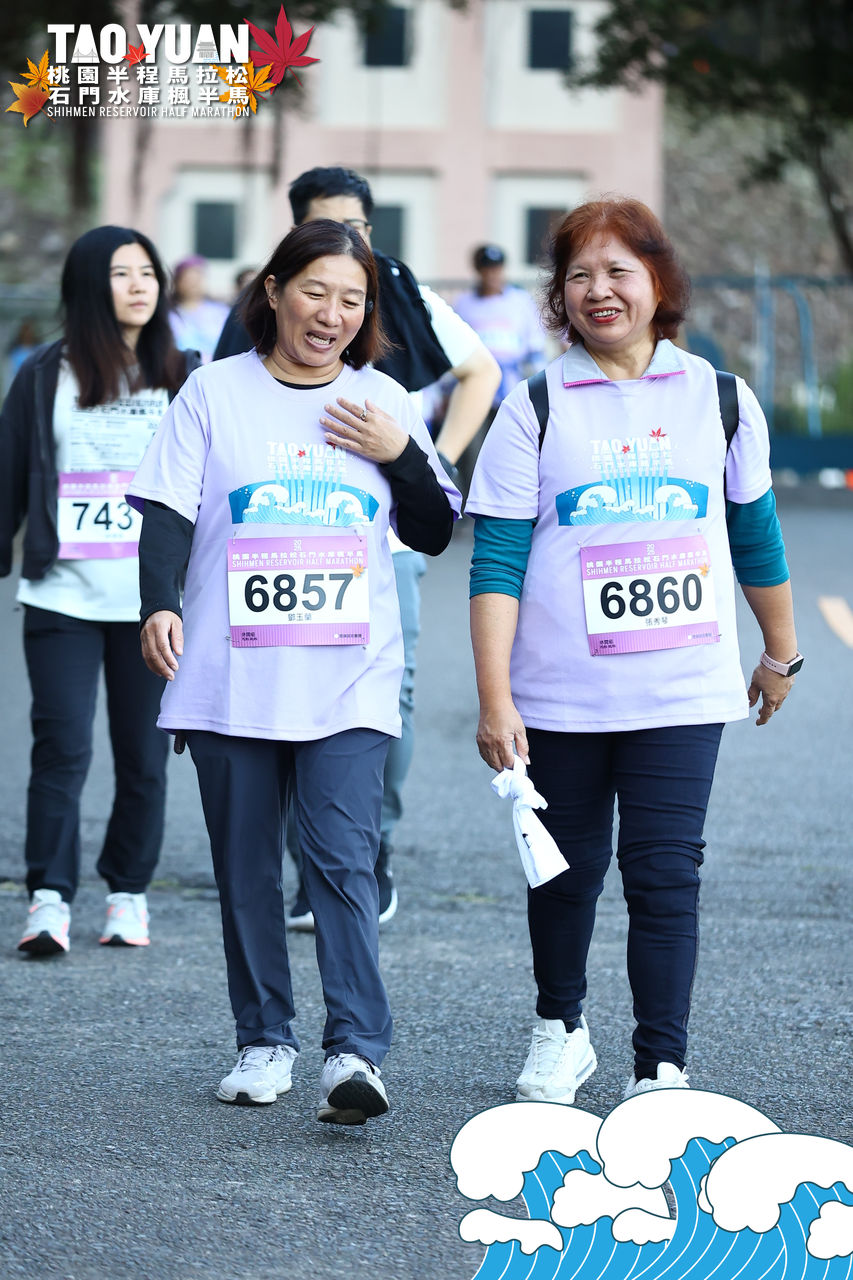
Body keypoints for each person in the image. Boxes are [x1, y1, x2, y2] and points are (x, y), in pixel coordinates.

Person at [466, 196, 801, 1105]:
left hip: (681, 690)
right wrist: (495, 699)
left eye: (618, 270)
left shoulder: (720, 399)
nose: (597, 291)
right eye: (578, 275)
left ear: (658, 281)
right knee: (564, 872)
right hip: (559, 694)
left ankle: (659, 1066)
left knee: (663, 874)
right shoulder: (533, 406)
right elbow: (495, 563)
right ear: (558, 295)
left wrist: (779, 653)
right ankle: (559, 1030)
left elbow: (755, 535)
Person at [129, 219, 461, 1122]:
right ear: (273, 291)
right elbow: (167, 509)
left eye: (352, 300)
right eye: (315, 291)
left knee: (342, 863)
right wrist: (159, 602)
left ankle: (354, 1054)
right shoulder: (212, 392)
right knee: (245, 870)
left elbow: (434, 529)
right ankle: (263, 1041)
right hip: (232, 676)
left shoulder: (382, 400)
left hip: (348, 678)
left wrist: (398, 454)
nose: (332, 314)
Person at [214, 165, 500, 927]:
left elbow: (480, 372)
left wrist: (425, 461)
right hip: (278, 540)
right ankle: (307, 866)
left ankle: (370, 850)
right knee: (277, 695)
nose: (349, 243)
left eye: (361, 228)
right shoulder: (264, 305)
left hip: (381, 538)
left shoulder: (401, 289)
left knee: (384, 695)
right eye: (330, 226)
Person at [0, 225, 200, 956]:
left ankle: (128, 893)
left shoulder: (186, 374)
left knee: (144, 758)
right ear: (89, 284)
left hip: (154, 606)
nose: (140, 285)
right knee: (61, 749)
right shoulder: (42, 374)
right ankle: (48, 898)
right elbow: (9, 473)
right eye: (121, 273)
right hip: (62, 598)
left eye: (148, 272)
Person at [168, 255, 229, 362]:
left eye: (197, 279)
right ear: (177, 282)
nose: (193, 284)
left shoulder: (221, 312)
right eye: (188, 280)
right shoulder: (168, 315)